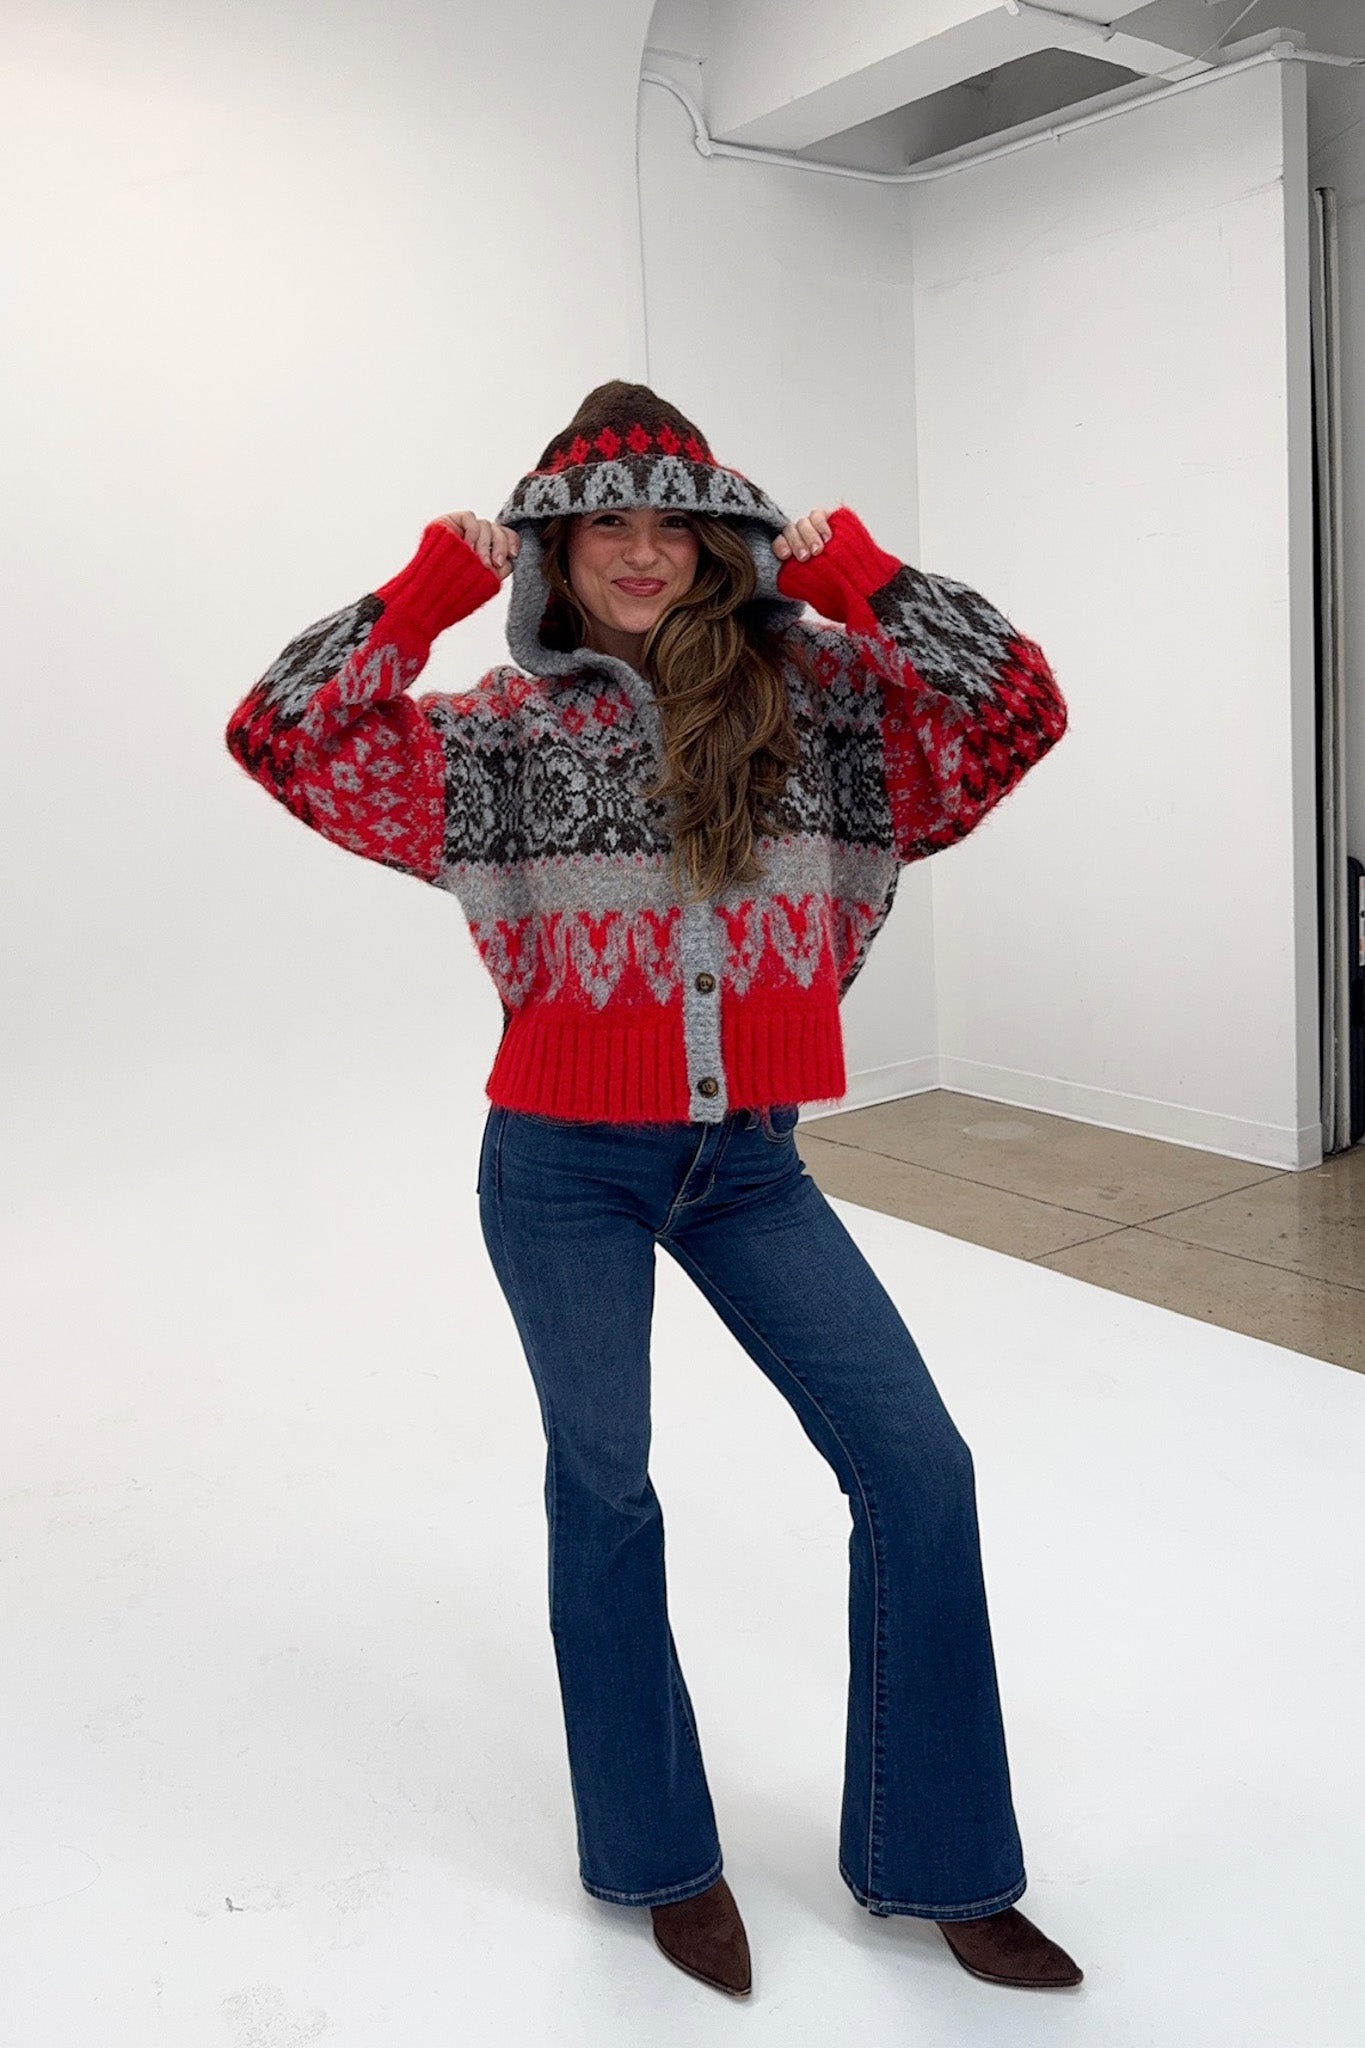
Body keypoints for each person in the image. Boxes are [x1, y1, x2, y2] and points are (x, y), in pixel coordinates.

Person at [225, 379, 1078, 1999]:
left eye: (670, 517)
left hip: (747, 1165)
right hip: (561, 1172)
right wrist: (418, 595)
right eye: (600, 520)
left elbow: (1015, 708)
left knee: (919, 1471)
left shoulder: (822, 701)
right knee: (605, 1493)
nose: (638, 548)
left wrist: (871, 582)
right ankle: (657, 1858)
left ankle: (945, 1861)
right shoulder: (496, 733)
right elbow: (283, 733)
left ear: (720, 540)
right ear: (552, 546)